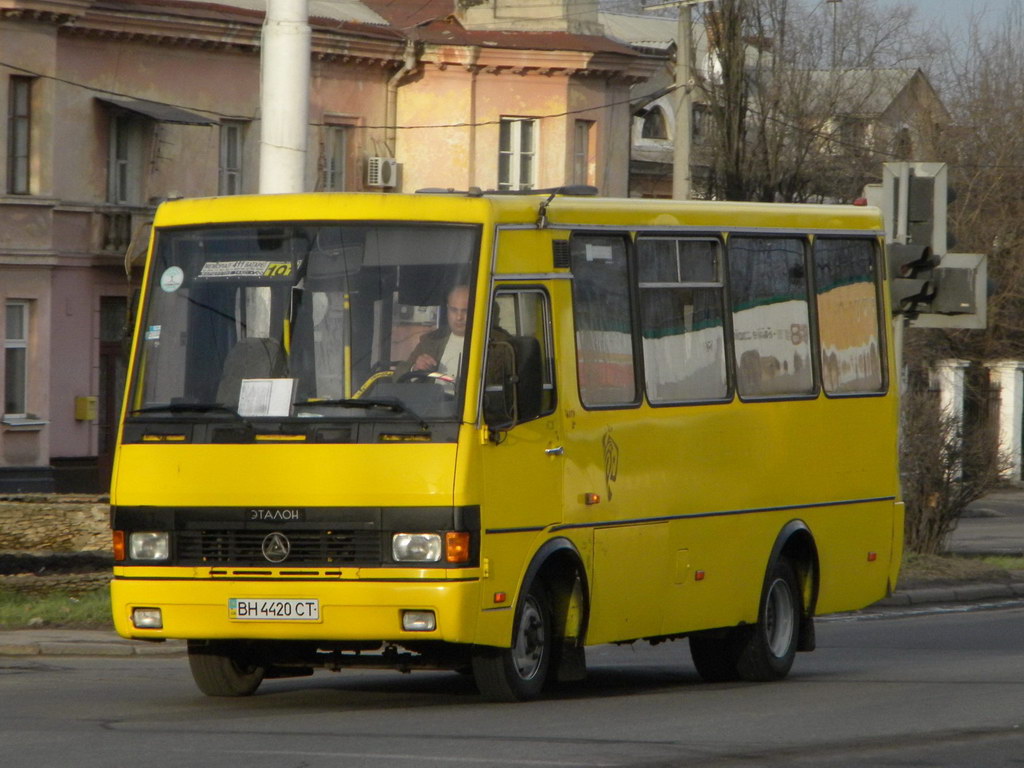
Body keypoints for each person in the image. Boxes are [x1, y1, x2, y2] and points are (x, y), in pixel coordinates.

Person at [396, 285, 471, 377]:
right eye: (454, 310)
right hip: (432, 391)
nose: (459, 317)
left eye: (465, 311)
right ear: (447, 308)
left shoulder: (490, 343)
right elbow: (399, 374)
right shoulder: (432, 340)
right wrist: (415, 368)